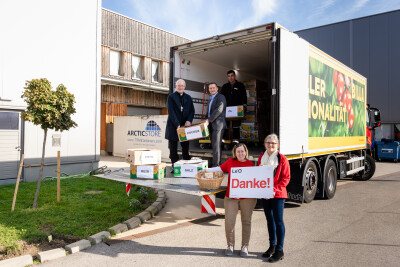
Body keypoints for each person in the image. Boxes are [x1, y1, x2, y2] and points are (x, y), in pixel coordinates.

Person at [203, 143, 256, 257]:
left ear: (246, 152)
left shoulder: (251, 164)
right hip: (231, 197)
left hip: (247, 198)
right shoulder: (230, 162)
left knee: (246, 221)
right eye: (238, 152)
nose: (240, 153)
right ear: (235, 153)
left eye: (242, 151)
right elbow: (219, 169)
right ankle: (230, 245)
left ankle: (245, 246)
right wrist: (205, 170)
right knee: (229, 222)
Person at [257, 134, 290, 262]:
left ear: (277, 145)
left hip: (277, 194)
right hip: (265, 194)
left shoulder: (282, 159)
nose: (270, 145)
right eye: (268, 142)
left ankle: (280, 250)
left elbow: (286, 179)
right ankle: (272, 246)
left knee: (278, 221)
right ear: (265, 143)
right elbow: (259, 175)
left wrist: (273, 190)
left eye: (273, 143)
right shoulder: (262, 157)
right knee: (269, 220)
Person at [165, 79, 195, 172]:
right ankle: (175, 165)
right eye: (179, 85)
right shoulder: (171, 97)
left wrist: (189, 121)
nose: (180, 87)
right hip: (173, 125)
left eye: (182, 85)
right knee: (173, 147)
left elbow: (191, 111)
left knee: (185, 147)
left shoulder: (188, 97)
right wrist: (177, 124)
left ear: (184, 87)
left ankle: (186, 164)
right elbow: (171, 112)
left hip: (184, 127)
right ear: (175, 86)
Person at [221, 70, 247, 145]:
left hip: (237, 108)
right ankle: (224, 140)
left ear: (235, 76)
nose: (231, 78)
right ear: (227, 77)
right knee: (225, 124)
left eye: (232, 76)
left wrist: (244, 105)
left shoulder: (240, 85)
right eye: (229, 76)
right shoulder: (225, 86)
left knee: (236, 125)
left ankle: (236, 140)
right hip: (227, 108)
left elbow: (244, 96)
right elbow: (221, 97)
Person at [205, 82, 227, 167]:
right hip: (211, 125)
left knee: (216, 146)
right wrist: (206, 120)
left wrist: (209, 120)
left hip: (218, 125)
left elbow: (219, 110)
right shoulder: (210, 98)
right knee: (214, 146)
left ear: (217, 88)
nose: (212, 89)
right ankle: (216, 164)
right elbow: (209, 112)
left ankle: (216, 166)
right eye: (210, 88)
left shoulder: (221, 97)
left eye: (213, 88)